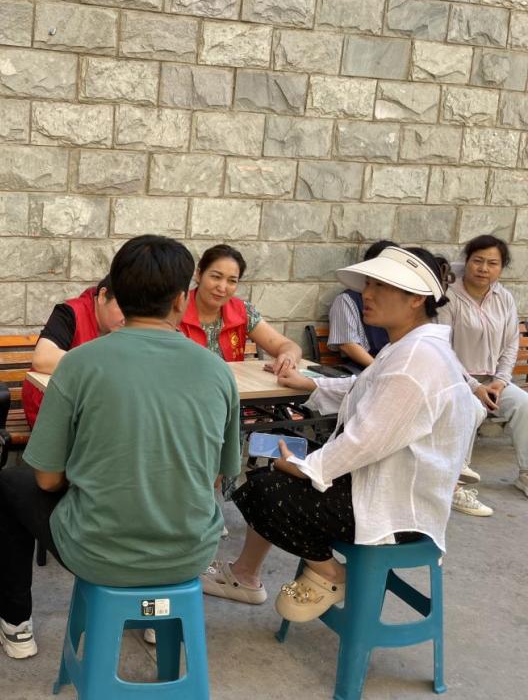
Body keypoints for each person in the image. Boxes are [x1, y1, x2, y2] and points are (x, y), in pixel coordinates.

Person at [0, 235, 241, 658]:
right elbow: (216, 476)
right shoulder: (217, 371)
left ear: (115, 292)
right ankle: (158, 617)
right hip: (191, 553)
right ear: (182, 300)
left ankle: (12, 621)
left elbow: (47, 480)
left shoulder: (79, 363)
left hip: (99, 552)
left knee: (12, 484)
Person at [207, 247, 482, 621]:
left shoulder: (414, 361)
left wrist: (306, 468)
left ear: (416, 299)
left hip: (395, 508)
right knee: (271, 466)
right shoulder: (412, 347)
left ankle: (332, 574)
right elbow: (366, 388)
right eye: (368, 284)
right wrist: (311, 384)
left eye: (380, 286)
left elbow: (365, 440)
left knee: (261, 488)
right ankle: (252, 573)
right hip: (388, 484)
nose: (367, 294)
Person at [437, 235, 528, 514]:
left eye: (492, 263)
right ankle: (454, 486)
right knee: (472, 409)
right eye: (478, 261)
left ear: (501, 267)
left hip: (493, 382)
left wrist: (500, 381)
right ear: (467, 261)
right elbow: (442, 348)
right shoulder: (449, 297)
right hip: (455, 380)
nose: (483, 268)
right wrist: (475, 386)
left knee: (524, 404)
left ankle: (526, 474)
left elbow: (511, 343)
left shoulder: (504, 298)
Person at [180, 244, 302, 375]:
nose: (222, 287)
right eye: (216, 277)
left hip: (233, 386)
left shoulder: (242, 311)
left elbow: (288, 346)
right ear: (199, 275)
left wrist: (288, 356)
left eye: (232, 281)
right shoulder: (175, 309)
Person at [22, 276, 124, 428]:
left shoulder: (133, 325)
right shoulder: (69, 313)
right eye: (123, 307)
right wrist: (103, 366)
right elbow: (42, 358)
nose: (127, 318)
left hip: (98, 410)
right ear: (102, 296)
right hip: (52, 411)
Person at [327, 239, 397, 371]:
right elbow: (347, 345)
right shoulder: (347, 300)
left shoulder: (398, 303)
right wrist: (379, 369)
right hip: (363, 369)